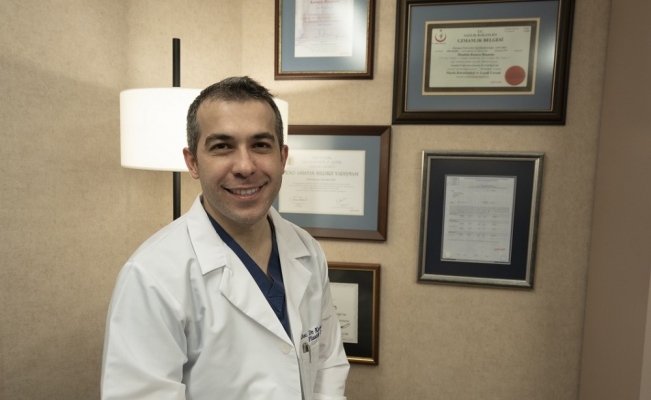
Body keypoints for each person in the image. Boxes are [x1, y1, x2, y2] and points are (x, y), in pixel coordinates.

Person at [101, 76, 350, 400]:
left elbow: (328, 364)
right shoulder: (151, 276)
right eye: (222, 146)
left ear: (282, 158)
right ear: (193, 162)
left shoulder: (307, 250)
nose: (245, 166)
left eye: (260, 145)